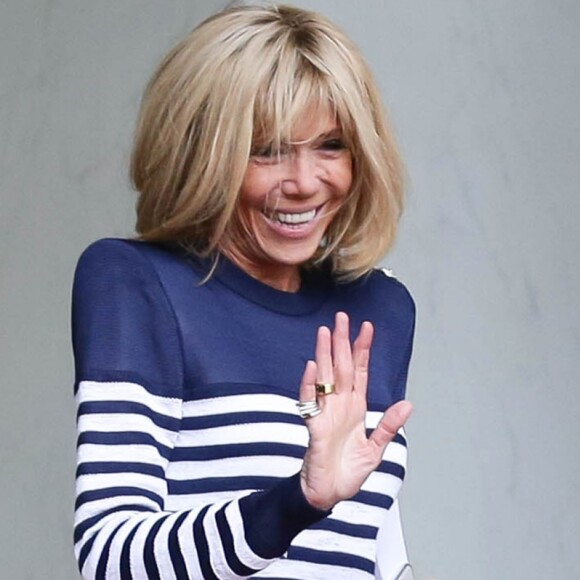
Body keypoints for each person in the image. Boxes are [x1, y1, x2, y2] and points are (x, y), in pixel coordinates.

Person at [71, 4, 416, 579]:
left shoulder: (381, 306)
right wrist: (296, 501)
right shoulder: (135, 284)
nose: (305, 182)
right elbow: (110, 558)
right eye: (268, 150)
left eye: (330, 145)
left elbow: (374, 547)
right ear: (201, 151)